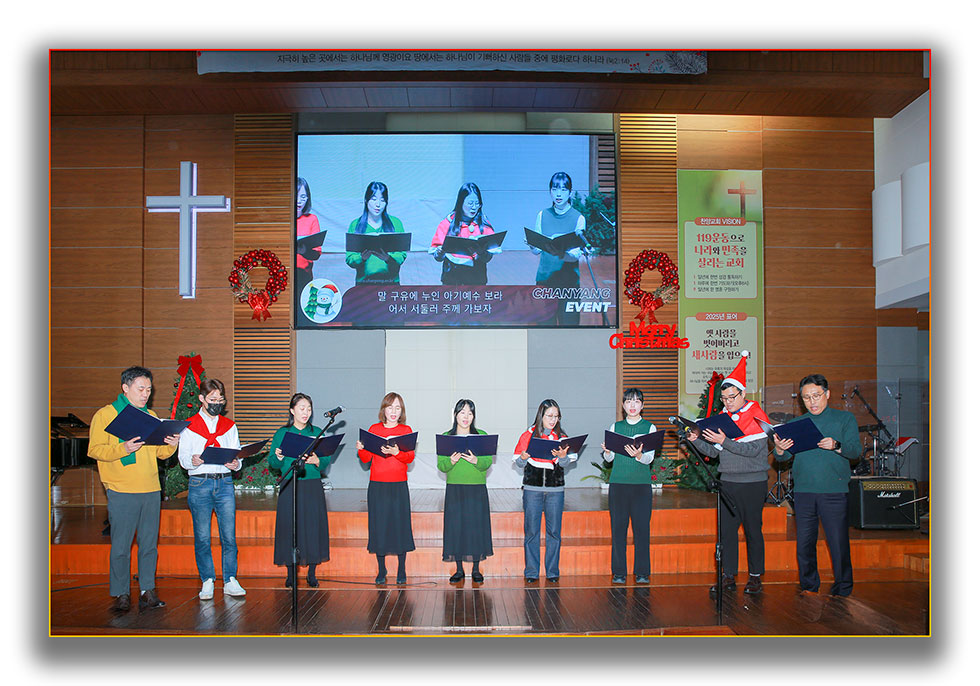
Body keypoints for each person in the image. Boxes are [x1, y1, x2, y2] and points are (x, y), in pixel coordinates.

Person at [87, 365, 180, 612]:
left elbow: (160, 453)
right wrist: (123, 448)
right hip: (121, 489)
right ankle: (121, 593)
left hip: (150, 488)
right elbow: (94, 450)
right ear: (125, 388)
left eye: (149, 389)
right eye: (141, 389)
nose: (146, 394)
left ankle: (147, 590)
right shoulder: (106, 414)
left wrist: (172, 444)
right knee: (121, 545)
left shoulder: (151, 416)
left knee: (149, 544)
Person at [683, 351, 772, 596]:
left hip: (753, 482)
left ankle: (755, 577)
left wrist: (725, 441)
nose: (728, 402)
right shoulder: (723, 418)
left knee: (753, 530)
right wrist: (696, 440)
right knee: (727, 533)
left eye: (732, 397)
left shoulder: (757, 416)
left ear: (743, 394)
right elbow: (714, 452)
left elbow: (753, 450)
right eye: (724, 398)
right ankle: (728, 575)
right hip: (728, 483)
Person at [773, 374, 861, 597]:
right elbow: (782, 458)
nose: (812, 402)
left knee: (838, 543)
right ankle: (809, 586)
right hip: (804, 491)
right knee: (804, 544)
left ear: (827, 394)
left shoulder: (844, 419)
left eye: (816, 396)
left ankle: (843, 588)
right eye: (806, 398)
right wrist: (780, 449)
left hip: (834, 491)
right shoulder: (796, 424)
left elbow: (855, 451)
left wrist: (836, 445)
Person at [176, 378, 246, 600]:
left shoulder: (229, 426)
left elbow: (237, 454)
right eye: (213, 399)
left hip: (224, 482)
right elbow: (183, 458)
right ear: (202, 399)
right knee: (203, 536)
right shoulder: (189, 426)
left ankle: (230, 579)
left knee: (229, 535)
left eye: (220, 400)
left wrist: (236, 464)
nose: (217, 403)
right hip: (200, 483)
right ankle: (207, 579)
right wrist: (192, 460)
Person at [268, 393, 331, 588]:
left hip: (312, 484)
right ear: (292, 410)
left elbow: (326, 461)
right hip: (290, 483)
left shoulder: (318, 432)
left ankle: (312, 573)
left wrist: (317, 460)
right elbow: (272, 462)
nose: (306, 412)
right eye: (302, 408)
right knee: (290, 527)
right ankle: (291, 574)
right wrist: (278, 457)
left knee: (312, 527)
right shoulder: (282, 433)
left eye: (309, 409)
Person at [513, 399, 577, 583]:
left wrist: (563, 457)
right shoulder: (528, 435)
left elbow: (566, 463)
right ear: (541, 416)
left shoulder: (562, 437)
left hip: (555, 490)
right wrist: (523, 457)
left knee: (554, 532)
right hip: (532, 490)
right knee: (531, 532)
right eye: (549, 415)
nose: (553, 420)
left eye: (556, 416)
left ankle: (552, 571)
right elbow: (519, 462)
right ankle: (531, 572)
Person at [356, 392, 416, 585]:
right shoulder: (374, 429)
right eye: (390, 407)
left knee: (400, 526)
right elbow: (366, 459)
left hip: (398, 485)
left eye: (398, 408)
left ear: (401, 411)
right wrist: (361, 449)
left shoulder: (406, 430)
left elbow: (410, 458)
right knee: (379, 526)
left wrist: (397, 452)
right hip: (378, 485)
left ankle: (401, 569)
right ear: (384, 409)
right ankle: (381, 570)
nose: (393, 411)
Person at [600, 387, 657, 584]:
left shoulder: (650, 427)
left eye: (636, 401)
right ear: (623, 405)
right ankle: (619, 572)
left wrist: (639, 455)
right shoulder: (615, 427)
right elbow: (609, 459)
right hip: (619, 484)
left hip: (641, 485)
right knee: (618, 529)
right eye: (628, 401)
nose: (632, 405)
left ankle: (642, 572)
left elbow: (649, 458)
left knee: (642, 529)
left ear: (642, 405)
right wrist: (608, 452)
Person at [438, 398, 493, 583]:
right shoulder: (447, 437)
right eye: (462, 412)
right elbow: (441, 466)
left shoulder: (481, 435)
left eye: (470, 413)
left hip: (476, 489)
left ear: (474, 416)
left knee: (476, 527)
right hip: (455, 488)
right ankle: (459, 569)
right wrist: (451, 461)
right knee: (456, 528)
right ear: (455, 415)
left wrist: (476, 460)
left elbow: (487, 463)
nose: (466, 416)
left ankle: (476, 569)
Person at [530, 171, 588, 325]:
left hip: (568, 284)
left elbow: (576, 255)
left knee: (569, 327)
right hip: (545, 280)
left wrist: (561, 254)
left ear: (570, 192)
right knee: (544, 327)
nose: (558, 194)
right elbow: (537, 251)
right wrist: (533, 245)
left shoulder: (579, 218)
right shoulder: (542, 215)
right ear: (550, 191)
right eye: (554, 189)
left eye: (563, 189)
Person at [429, 183, 496, 285]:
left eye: (477, 203)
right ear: (460, 203)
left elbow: (487, 258)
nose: (474, 207)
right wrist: (440, 253)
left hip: (477, 278)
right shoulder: (447, 224)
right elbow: (438, 257)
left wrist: (482, 253)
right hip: (452, 278)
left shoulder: (484, 224)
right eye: (470, 203)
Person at [345, 181, 408, 284]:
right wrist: (362, 258)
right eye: (374, 199)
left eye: (382, 200)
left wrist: (388, 258)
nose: (378, 204)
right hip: (364, 283)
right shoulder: (356, 224)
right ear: (366, 200)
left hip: (390, 283)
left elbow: (402, 255)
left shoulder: (396, 223)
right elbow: (349, 258)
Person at [295, 177, 322, 293]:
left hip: (304, 276)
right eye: (296, 195)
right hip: (282, 273)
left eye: (303, 197)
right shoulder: (283, 219)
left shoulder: (312, 219)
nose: (299, 201)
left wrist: (304, 251)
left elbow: (317, 253)